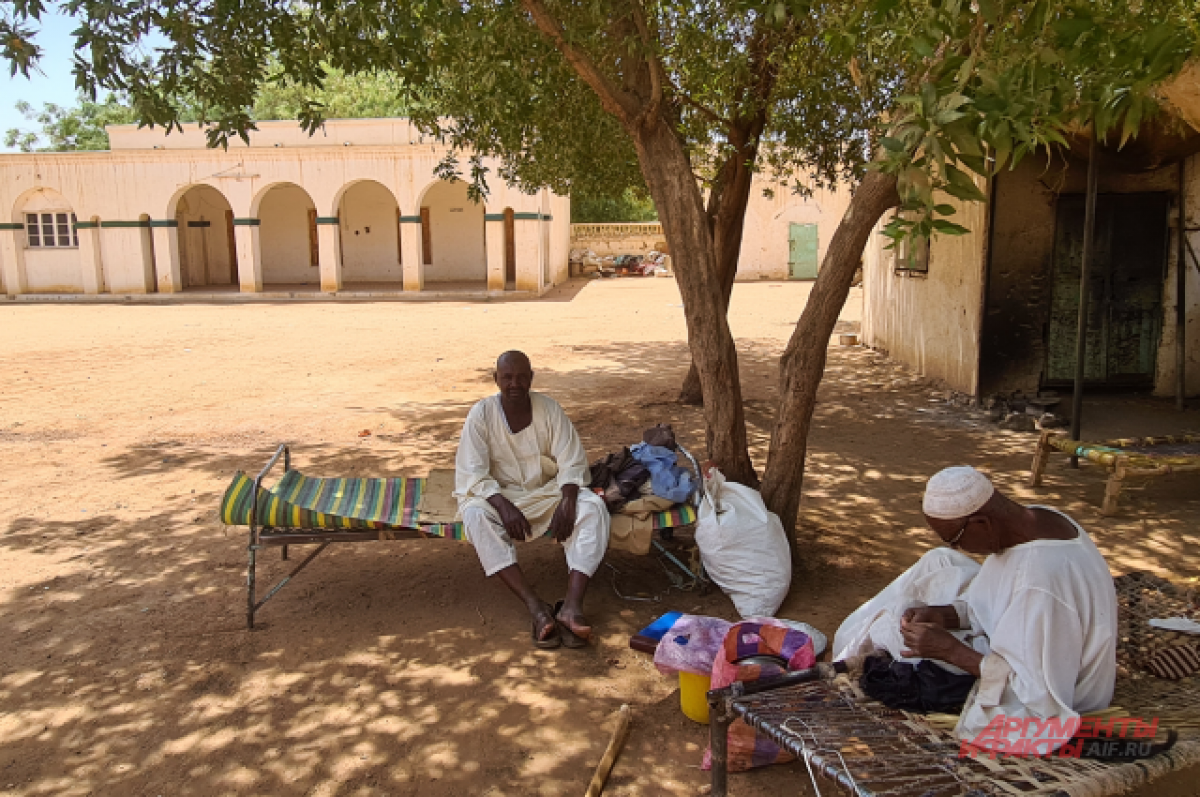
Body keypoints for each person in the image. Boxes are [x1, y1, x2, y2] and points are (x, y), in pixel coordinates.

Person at [832, 466, 1118, 753]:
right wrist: (944, 615)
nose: (958, 547)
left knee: (888, 626)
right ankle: (859, 643)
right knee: (940, 561)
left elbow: (1038, 695)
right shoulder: (1039, 519)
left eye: (955, 538)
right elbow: (995, 601)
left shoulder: (1039, 584)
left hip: (1062, 696)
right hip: (1033, 652)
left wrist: (950, 651)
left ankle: (847, 655)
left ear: (982, 522)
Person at [454, 351, 610, 649]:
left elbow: (572, 462)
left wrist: (567, 501)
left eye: (522, 376)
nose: (515, 383)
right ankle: (536, 608)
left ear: (531, 378)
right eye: (507, 377)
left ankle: (571, 607)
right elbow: (473, 473)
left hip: (548, 492)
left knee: (592, 507)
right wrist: (503, 506)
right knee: (474, 515)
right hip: (499, 496)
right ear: (495, 379)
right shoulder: (481, 415)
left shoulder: (550, 409)